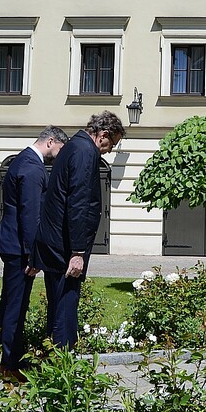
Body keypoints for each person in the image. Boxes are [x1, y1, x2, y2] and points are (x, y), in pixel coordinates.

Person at [28, 111, 124, 350]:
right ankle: (63, 365)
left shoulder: (73, 146)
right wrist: (78, 252)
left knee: (58, 305)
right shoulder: (84, 152)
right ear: (102, 135)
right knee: (65, 306)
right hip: (65, 248)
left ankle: (54, 359)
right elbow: (78, 203)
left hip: (57, 244)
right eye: (111, 144)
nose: (109, 150)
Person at [0, 127, 69, 378]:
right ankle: (9, 365)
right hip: (19, 249)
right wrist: (32, 255)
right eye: (59, 150)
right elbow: (30, 214)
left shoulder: (21, 160)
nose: (58, 157)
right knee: (15, 306)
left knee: (11, 303)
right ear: (50, 141)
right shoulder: (33, 168)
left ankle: (4, 358)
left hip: (13, 245)